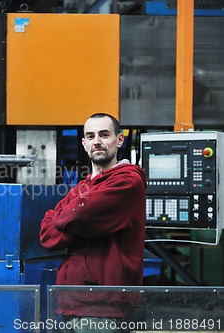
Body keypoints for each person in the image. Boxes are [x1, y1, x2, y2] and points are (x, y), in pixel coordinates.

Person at [40, 113, 147, 332]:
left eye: (104, 134)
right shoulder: (82, 187)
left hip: (103, 304)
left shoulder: (128, 181)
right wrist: (76, 220)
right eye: (90, 136)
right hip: (71, 300)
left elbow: (78, 215)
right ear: (84, 143)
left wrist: (66, 217)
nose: (96, 141)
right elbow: (47, 234)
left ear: (119, 140)